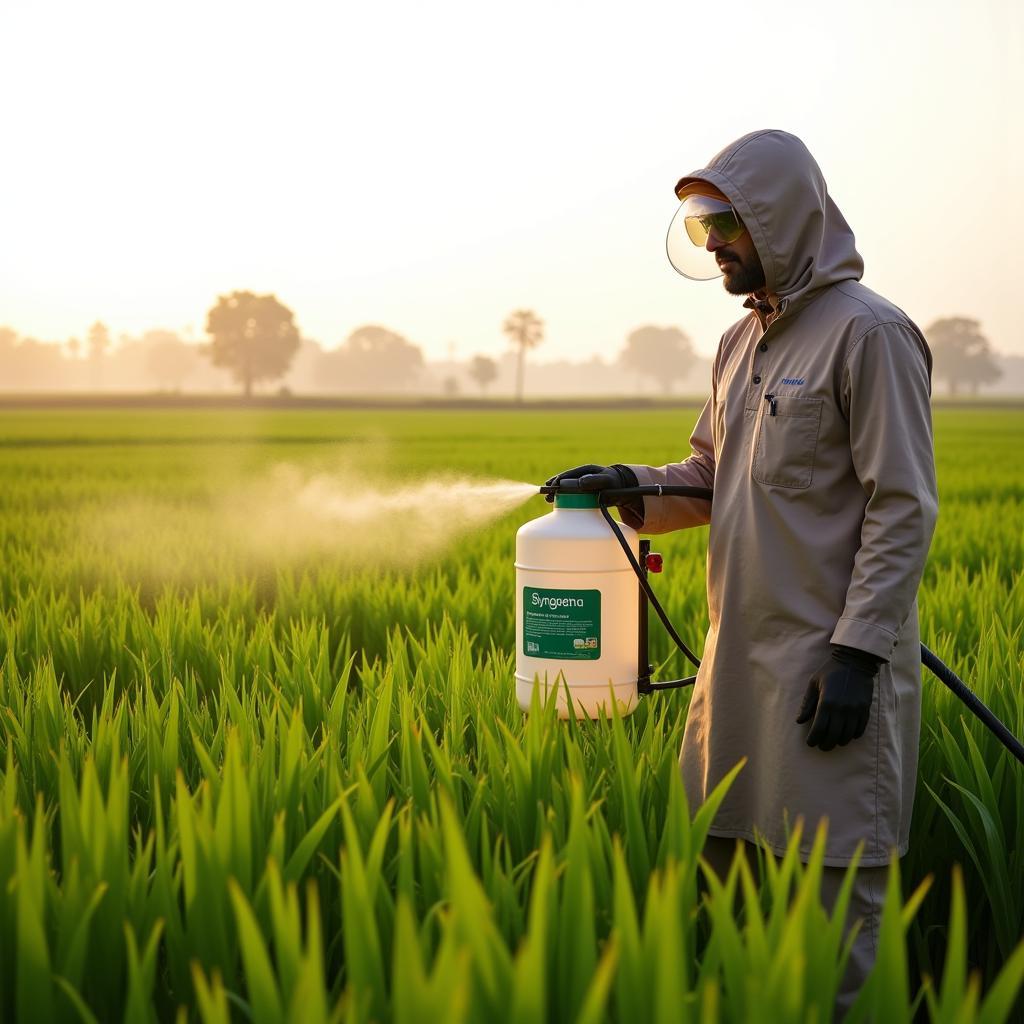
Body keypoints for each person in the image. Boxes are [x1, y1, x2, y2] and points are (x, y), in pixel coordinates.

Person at [546, 129, 938, 1014]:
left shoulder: (869, 335)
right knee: (729, 899)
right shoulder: (738, 343)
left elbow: (902, 506)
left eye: (724, 222)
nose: (711, 242)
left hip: (826, 682)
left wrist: (860, 657)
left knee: (835, 919)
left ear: (780, 219)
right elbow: (711, 476)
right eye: (698, 226)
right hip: (733, 679)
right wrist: (628, 486)